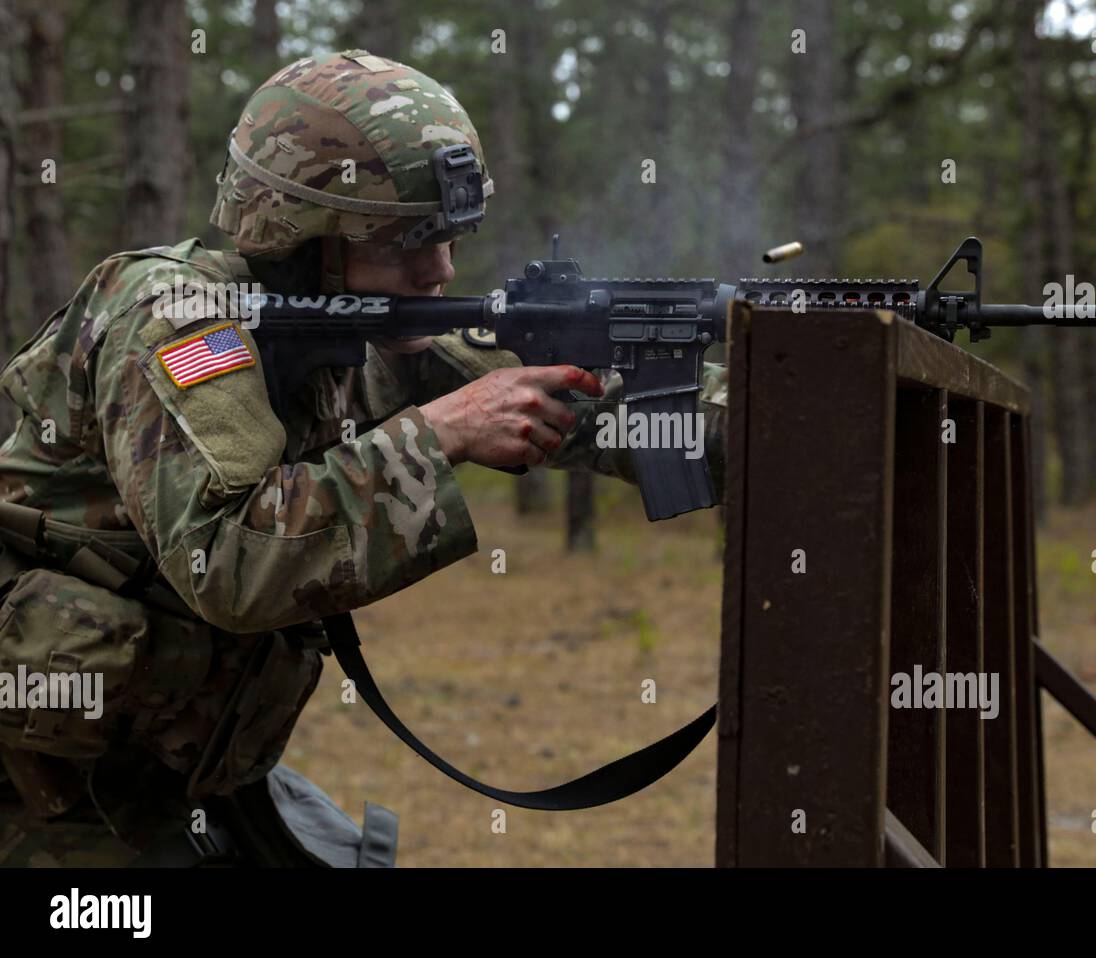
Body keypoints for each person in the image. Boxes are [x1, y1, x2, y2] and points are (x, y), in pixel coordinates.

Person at [0, 50, 725, 867]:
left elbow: (603, 410)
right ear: (304, 239)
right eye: (409, 241)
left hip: (179, 777)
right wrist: (440, 435)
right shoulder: (173, 323)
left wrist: (798, 397)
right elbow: (229, 559)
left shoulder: (362, 335)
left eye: (451, 238)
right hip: (43, 799)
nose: (441, 270)